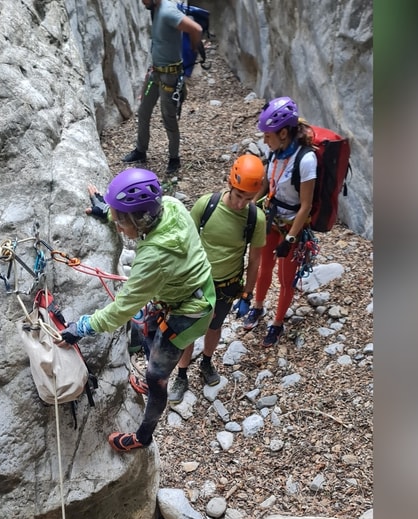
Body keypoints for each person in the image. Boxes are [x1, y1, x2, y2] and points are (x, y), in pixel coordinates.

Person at [61, 167, 214, 453]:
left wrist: (81, 328)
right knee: (147, 332)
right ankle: (149, 381)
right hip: (183, 293)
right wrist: (108, 211)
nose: (118, 226)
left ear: (141, 218)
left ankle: (144, 436)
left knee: (157, 376)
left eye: (121, 220)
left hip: (189, 312)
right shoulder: (170, 205)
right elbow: (135, 223)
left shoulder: (155, 258)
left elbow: (121, 310)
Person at [167, 154, 268, 402]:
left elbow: (255, 260)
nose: (240, 204)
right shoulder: (206, 205)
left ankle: (207, 362)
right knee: (189, 330)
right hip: (196, 283)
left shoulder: (256, 218)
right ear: (229, 184)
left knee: (214, 326)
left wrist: (247, 293)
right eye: (238, 196)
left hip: (226, 286)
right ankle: (181, 374)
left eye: (248, 198)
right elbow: (184, 242)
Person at [236, 96, 317, 348]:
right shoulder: (276, 153)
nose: (264, 140)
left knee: (285, 278)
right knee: (263, 268)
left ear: (283, 132)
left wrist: (290, 238)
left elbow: (306, 205)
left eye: (268, 135)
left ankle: (278, 322)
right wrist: (249, 209)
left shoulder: (306, 160)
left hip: (291, 228)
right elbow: (266, 187)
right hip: (271, 220)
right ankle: (258, 307)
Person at [121, 0, 204, 178]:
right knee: (143, 111)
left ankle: (174, 158)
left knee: (169, 118)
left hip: (170, 76)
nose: (142, 3)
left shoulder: (167, 12)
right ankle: (140, 150)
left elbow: (196, 29)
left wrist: (193, 48)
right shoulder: (156, 9)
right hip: (156, 72)